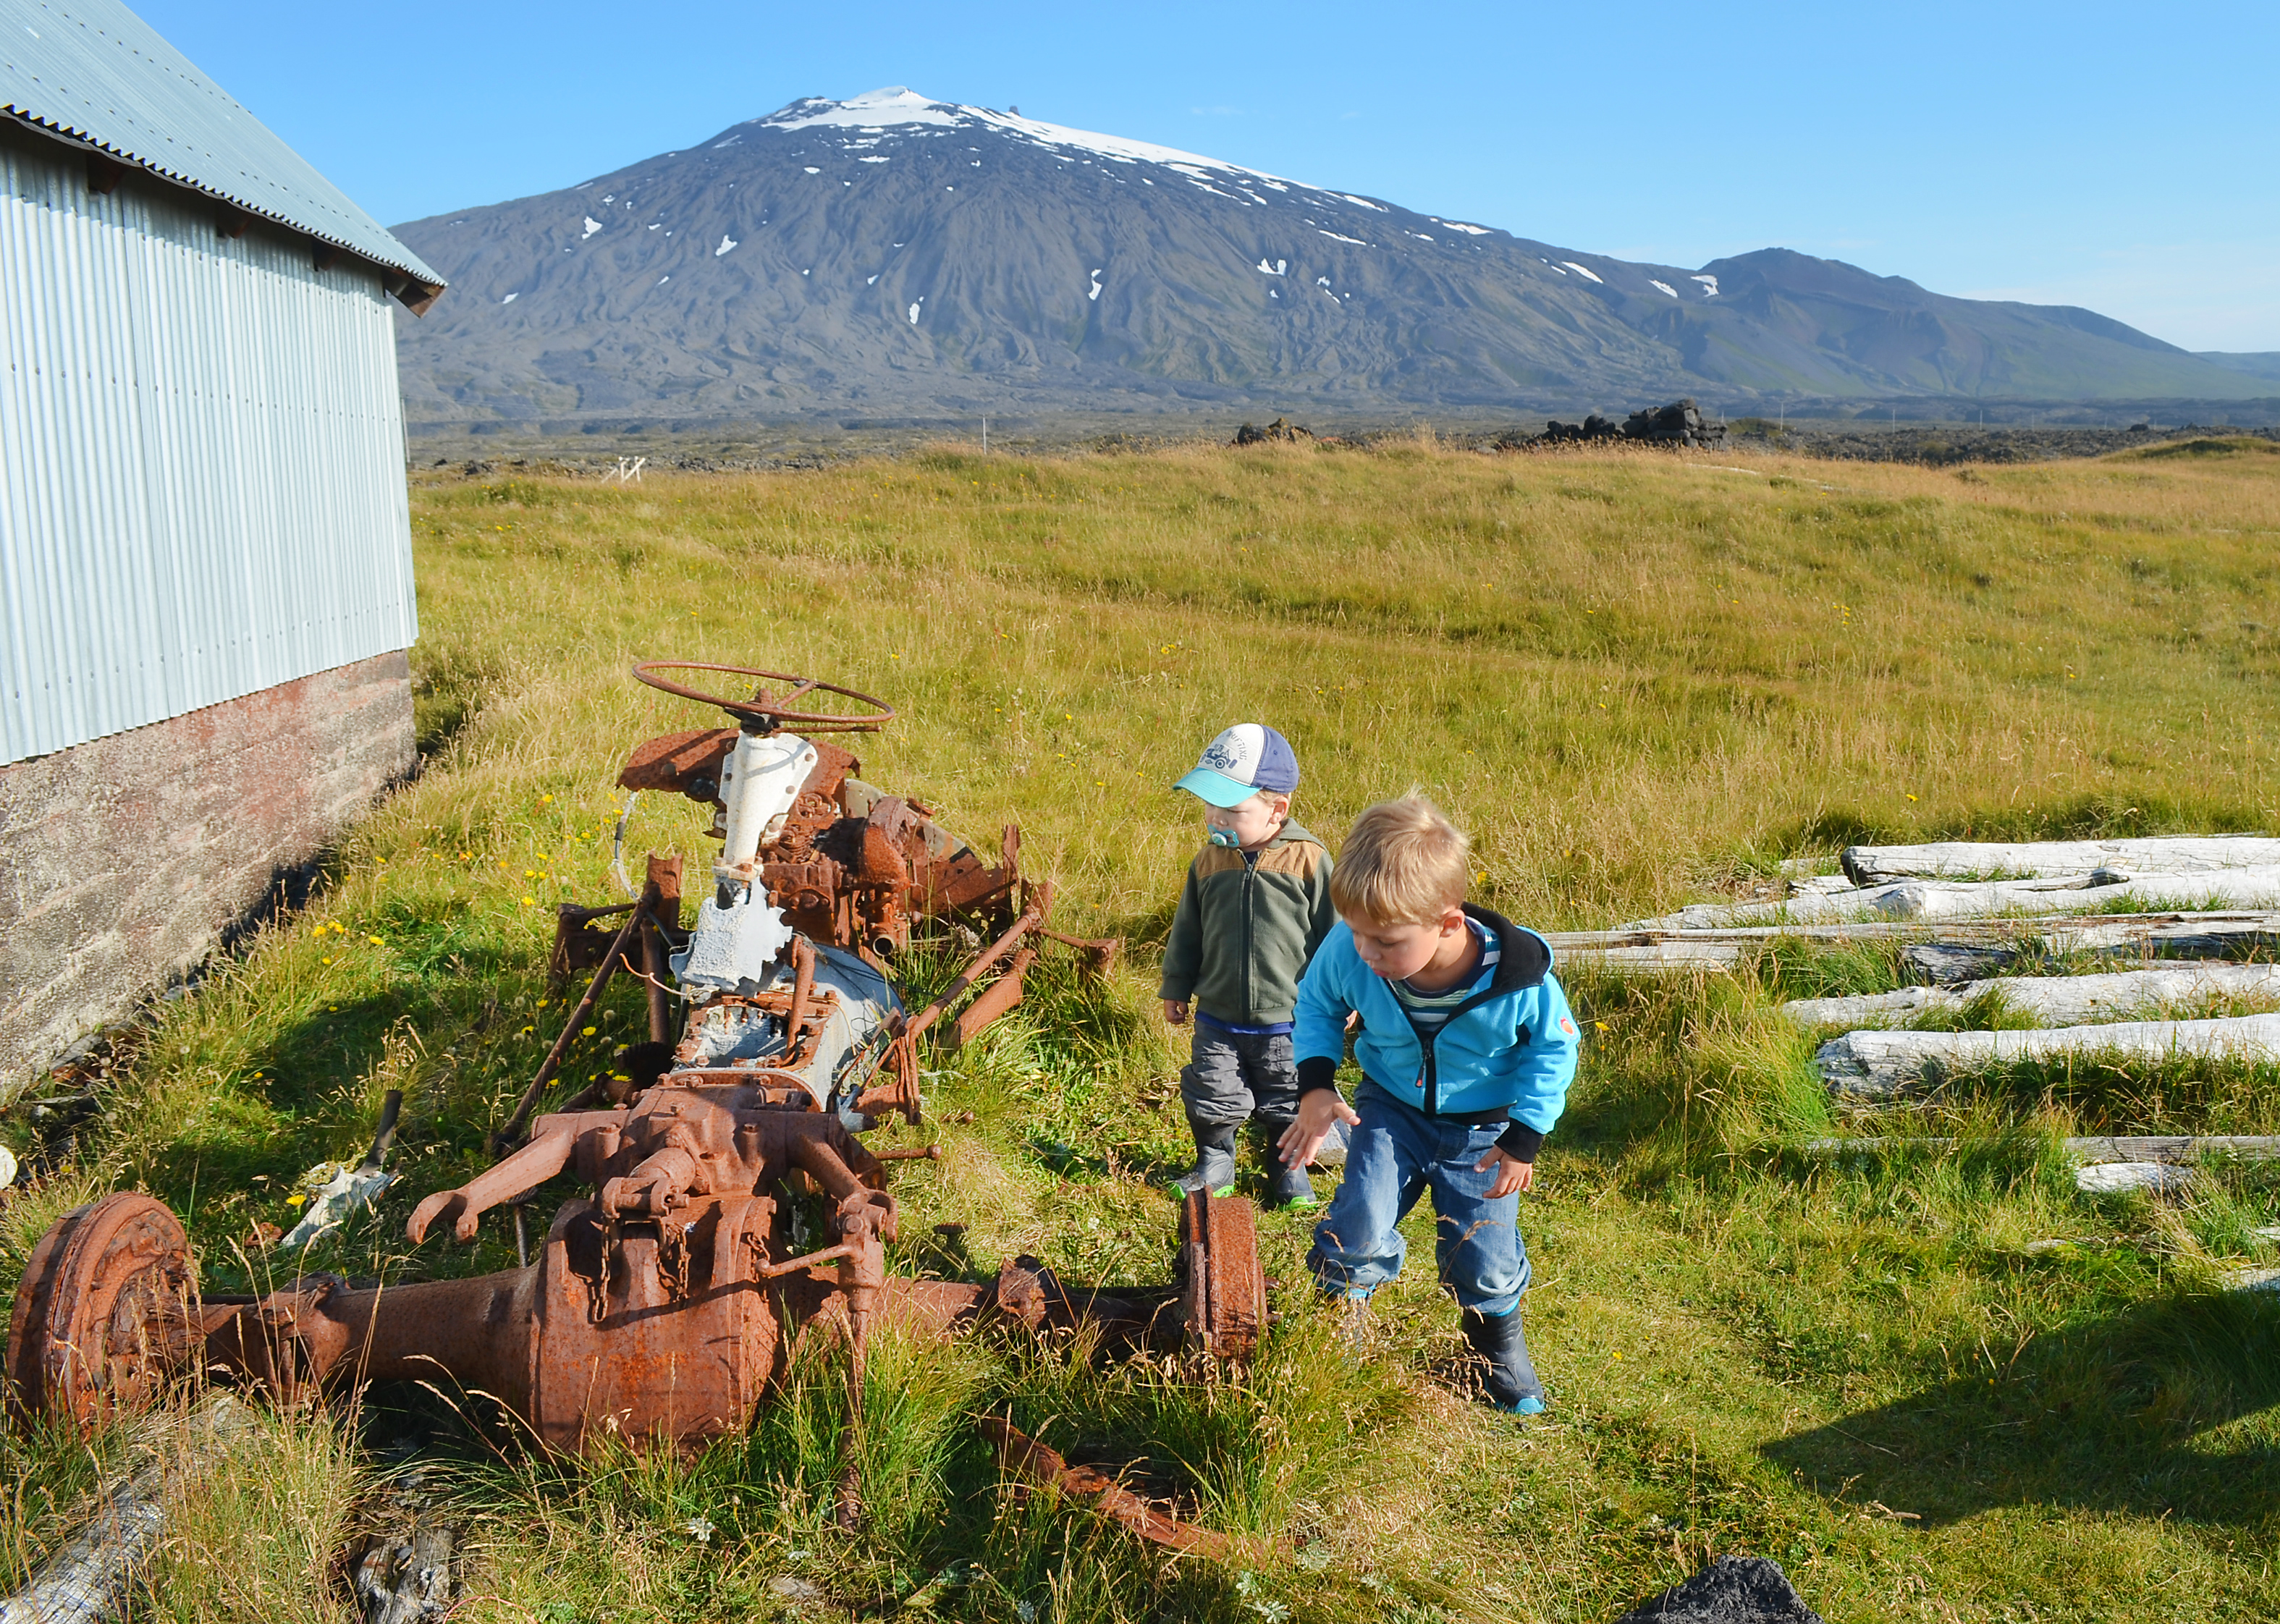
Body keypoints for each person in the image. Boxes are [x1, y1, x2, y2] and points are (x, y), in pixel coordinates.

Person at [1278, 795, 1579, 1413]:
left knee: (1483, 1256)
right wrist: (1315, 1084)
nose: (1365, 952)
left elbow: (1554, 1051)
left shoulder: (1519, 978)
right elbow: (1318, 1006)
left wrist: (1525, 1135)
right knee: (1357, 1219)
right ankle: (1339, 1325)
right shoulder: (1351, 947)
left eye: (1384, 941)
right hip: (1390, 1110)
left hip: (1485, 1131)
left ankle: (1494, 1346)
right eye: (1357, 933)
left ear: (1447, 923)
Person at [1158, 724, 1340, 1207]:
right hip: (1217, 1014)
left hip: (1291, 1019)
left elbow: (1336, 936)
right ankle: (1215, 1161)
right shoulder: (1209, 862)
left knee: (1287, 1097)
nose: (1216, 818)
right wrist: (1177, 984)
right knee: (1212, 1093)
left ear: (1277, 809)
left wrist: (1344, 998)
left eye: (1232, 810)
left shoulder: (1309, 860)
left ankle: (1289, 1170)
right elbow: (1188, 930)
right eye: (1210, 806)